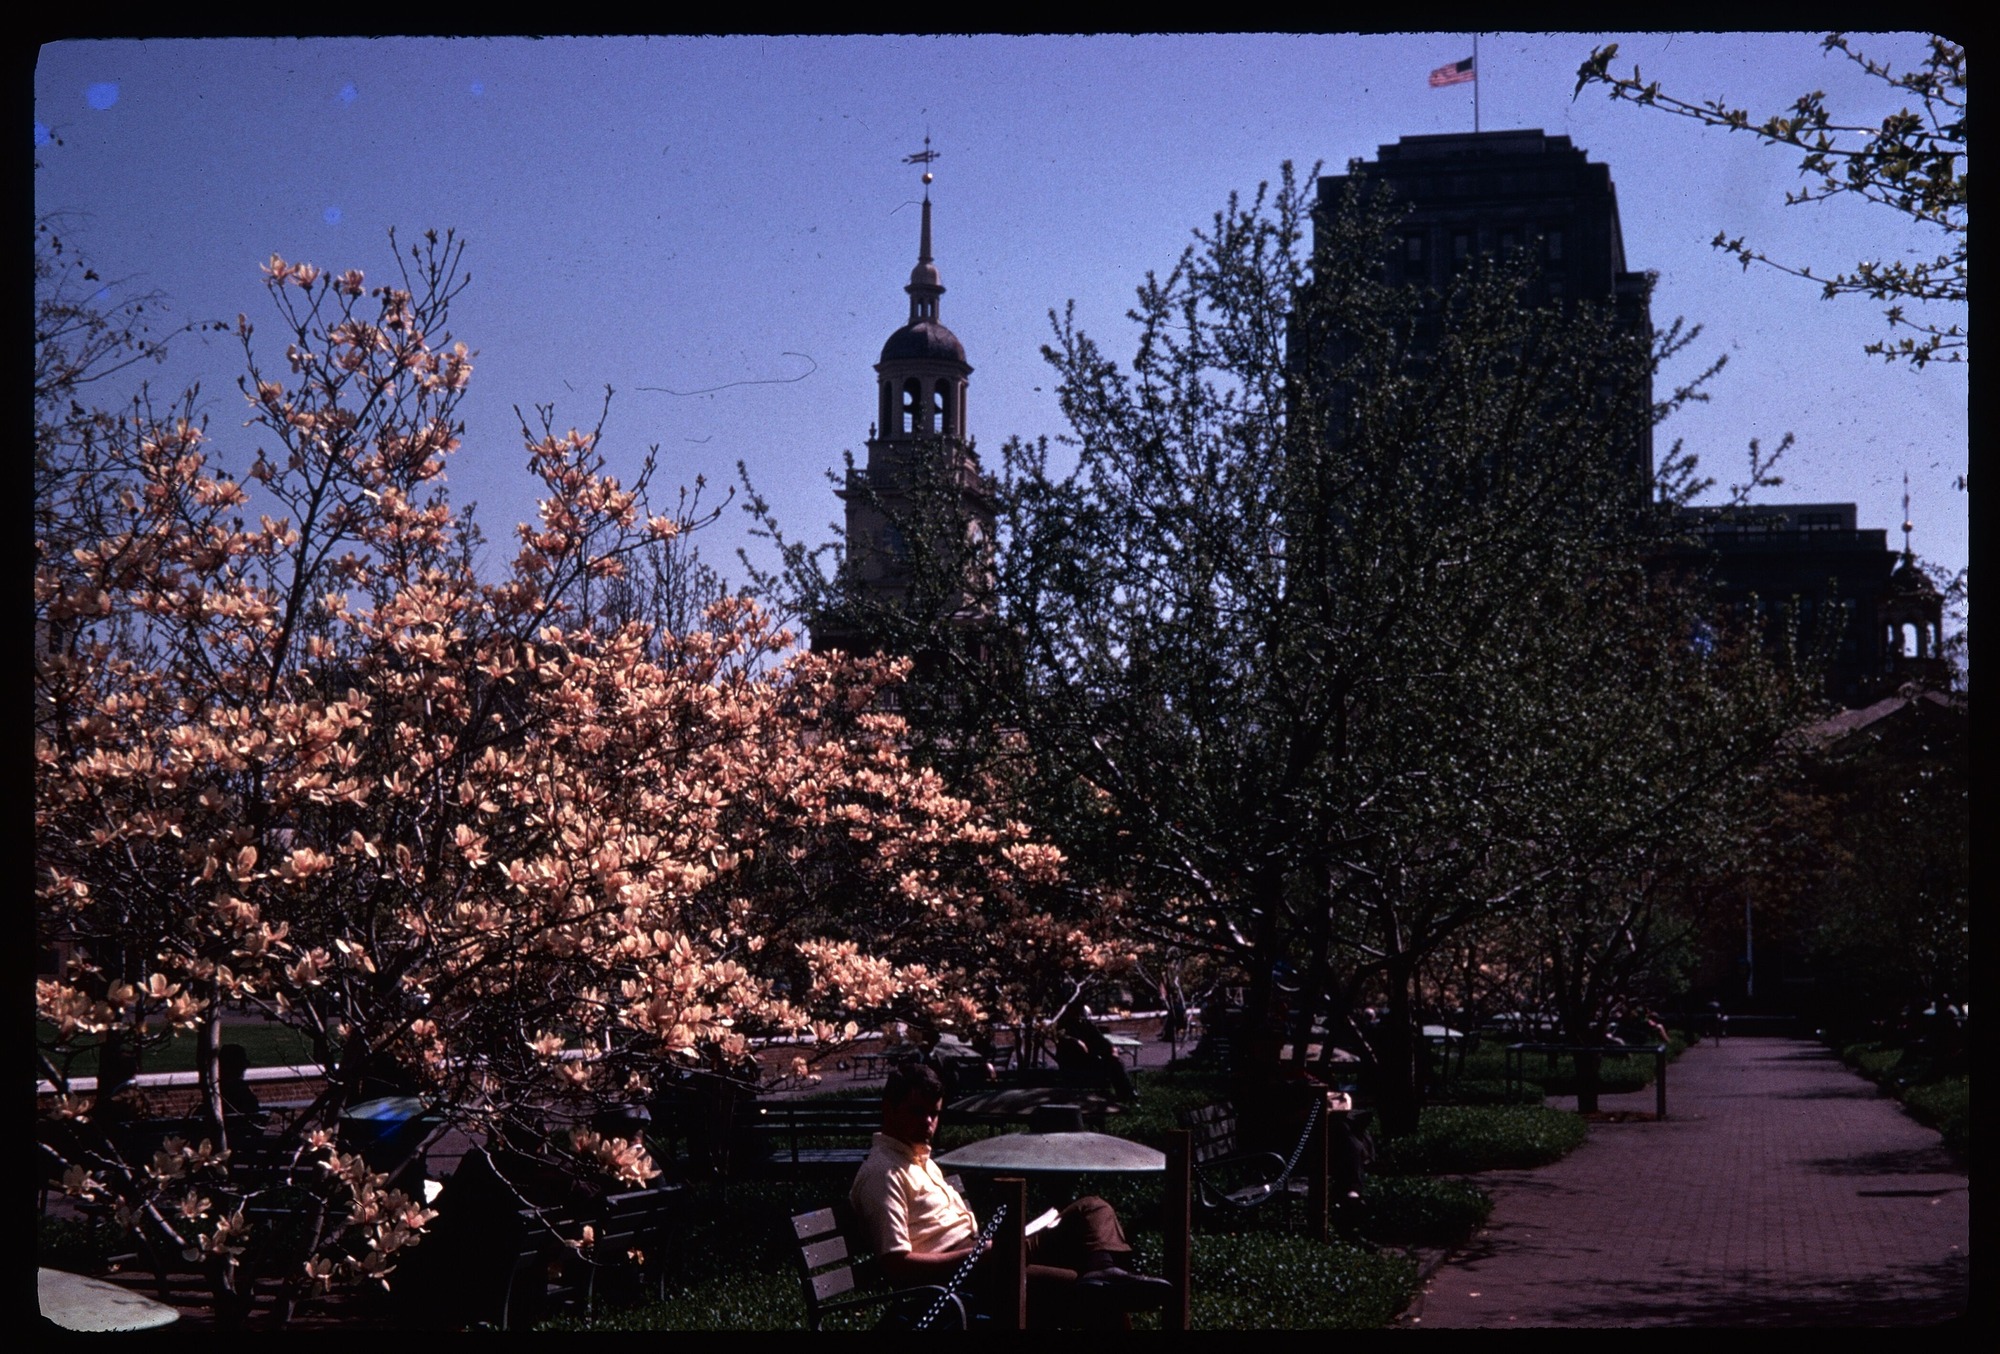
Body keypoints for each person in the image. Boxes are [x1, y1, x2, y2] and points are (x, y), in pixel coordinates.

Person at [849, 1063, 1170, 1325]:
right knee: (1096, 1296)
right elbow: (897, 1267)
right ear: (888, 1109)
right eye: (917, 1112)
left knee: (1091, 1208)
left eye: (934, 1113)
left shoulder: (919, 1159)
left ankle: (1105, 1269)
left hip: (989, 1255)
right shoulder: (882, 1173)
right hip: (966, 1277)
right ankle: (1103, 1279)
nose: (929, 1123)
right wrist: (975, 1256)